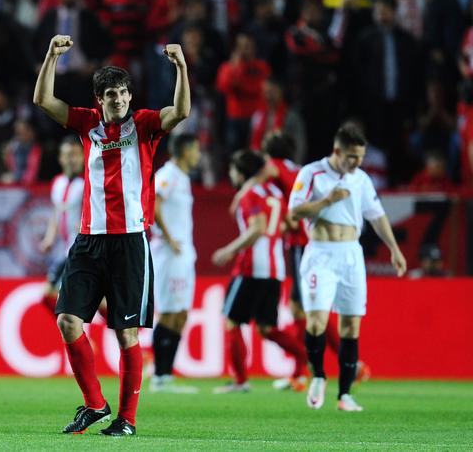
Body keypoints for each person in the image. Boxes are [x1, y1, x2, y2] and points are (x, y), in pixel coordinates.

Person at [33, 34, 189, 436]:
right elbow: (43, 102)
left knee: (126, 333)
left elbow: (181, 112)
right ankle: (94, 404)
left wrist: (182, 68)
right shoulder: (86, 124)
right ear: (99, 100)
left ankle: (127, 420)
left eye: (122, 92)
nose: (117, 99)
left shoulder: (145, 125)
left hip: (130, 241)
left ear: (129, 96)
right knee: (68, 321)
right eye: (109, 94)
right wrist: (51, 56)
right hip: (88, 240)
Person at [232, 131, 371, 391]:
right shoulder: (299, 169)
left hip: (301, 243)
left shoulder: (274, 167)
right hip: (318, 241)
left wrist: (242, 194)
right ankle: (310, 369)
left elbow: (263, 178)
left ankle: (312, 369)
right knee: (305, 309)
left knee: (303, 309)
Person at [289, 124, 406, 412]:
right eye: (352, 157)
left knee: (351, 326)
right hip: (320, 254)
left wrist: (394, 249)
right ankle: (317, 375)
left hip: (351, 254)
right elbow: (295, 211)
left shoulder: (361, 180)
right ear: (337, 151)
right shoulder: (311, 173)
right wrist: (327, 200)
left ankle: (345, 395)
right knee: (315, 321)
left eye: (361, 157)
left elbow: (377, 216)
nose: (357, 163)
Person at [212, 150, 307, 394]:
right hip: (275, 269)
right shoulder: (275, 194)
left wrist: (229, 250)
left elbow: (257, 228)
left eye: (233, 170)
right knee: (266, 328)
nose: (231, 174)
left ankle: (240, 381)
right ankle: (307, 355)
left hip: (250, 267)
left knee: (232, 322)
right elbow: (290, 224)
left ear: (241, 173)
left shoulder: (250, 195)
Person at [149, 133, 201, 394]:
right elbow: (153, 204)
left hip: (183, 253)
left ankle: (166, 375)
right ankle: (159, 375)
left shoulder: (182, 178)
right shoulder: (167, 174)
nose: (198, 155)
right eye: (196, 150)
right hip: (169, 253)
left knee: (181, 313)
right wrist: (169, 238)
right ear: (184, 151)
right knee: (169, 311)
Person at [39, 136, 85, 314]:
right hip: (65, 250)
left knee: (54, 295)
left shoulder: (87, 184)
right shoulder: (58, 183)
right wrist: (49, 238)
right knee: (56, 298)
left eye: (75, 155)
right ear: (60, 158)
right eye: (67, 155)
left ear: (82, 157)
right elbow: (56, 213)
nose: (71, 159)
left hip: (80, 249)